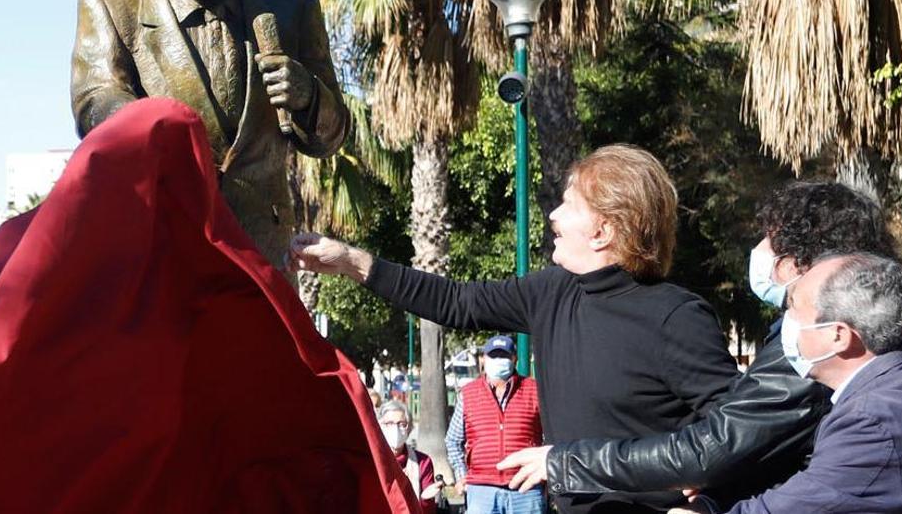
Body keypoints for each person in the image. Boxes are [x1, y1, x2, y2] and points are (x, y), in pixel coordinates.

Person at [291, 144, 740, 513]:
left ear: (603, 230)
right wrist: (353, 262)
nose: (553, 217)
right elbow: (455, 302)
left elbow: (741, 433)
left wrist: (706, 503)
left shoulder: (676, 317)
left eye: (568, 204)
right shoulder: (552, 292)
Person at [500, 182, 895, 508]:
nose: (759, 252)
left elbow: (720, 443)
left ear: (804, 263)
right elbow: (758, 453)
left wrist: (566, 461)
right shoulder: (808, 342)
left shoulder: (816, 349)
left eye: (771, 241)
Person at [70, 0, 349, 269]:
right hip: (160, 244)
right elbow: (93, 102)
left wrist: (309, 97)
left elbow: (330, 137)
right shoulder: (113, 6)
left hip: (262, 252)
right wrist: (150, 124)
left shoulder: (291, 11)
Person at [673, 253, 902, 513]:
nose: (786, 323)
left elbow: (800, 505)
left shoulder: (873, 418)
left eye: (795, 310)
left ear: (839, 335)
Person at [445, 335, 544, 514]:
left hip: (525, 488)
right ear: (484, 359)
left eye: (504, 356)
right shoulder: (468, 394)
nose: (499, 360)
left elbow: (548, 437)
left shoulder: (534, 390)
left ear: (515, 358)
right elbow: (453, 440)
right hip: (481, 489)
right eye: (493, 355)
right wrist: (462, 476)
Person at [381, 401, 439, 514]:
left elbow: (428, 510)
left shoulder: (422, 462)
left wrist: (425, 499)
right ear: (380, 426)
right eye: (389, 423)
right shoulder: (373, 460)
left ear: (409, 428)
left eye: (402, 424)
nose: (396, 429)